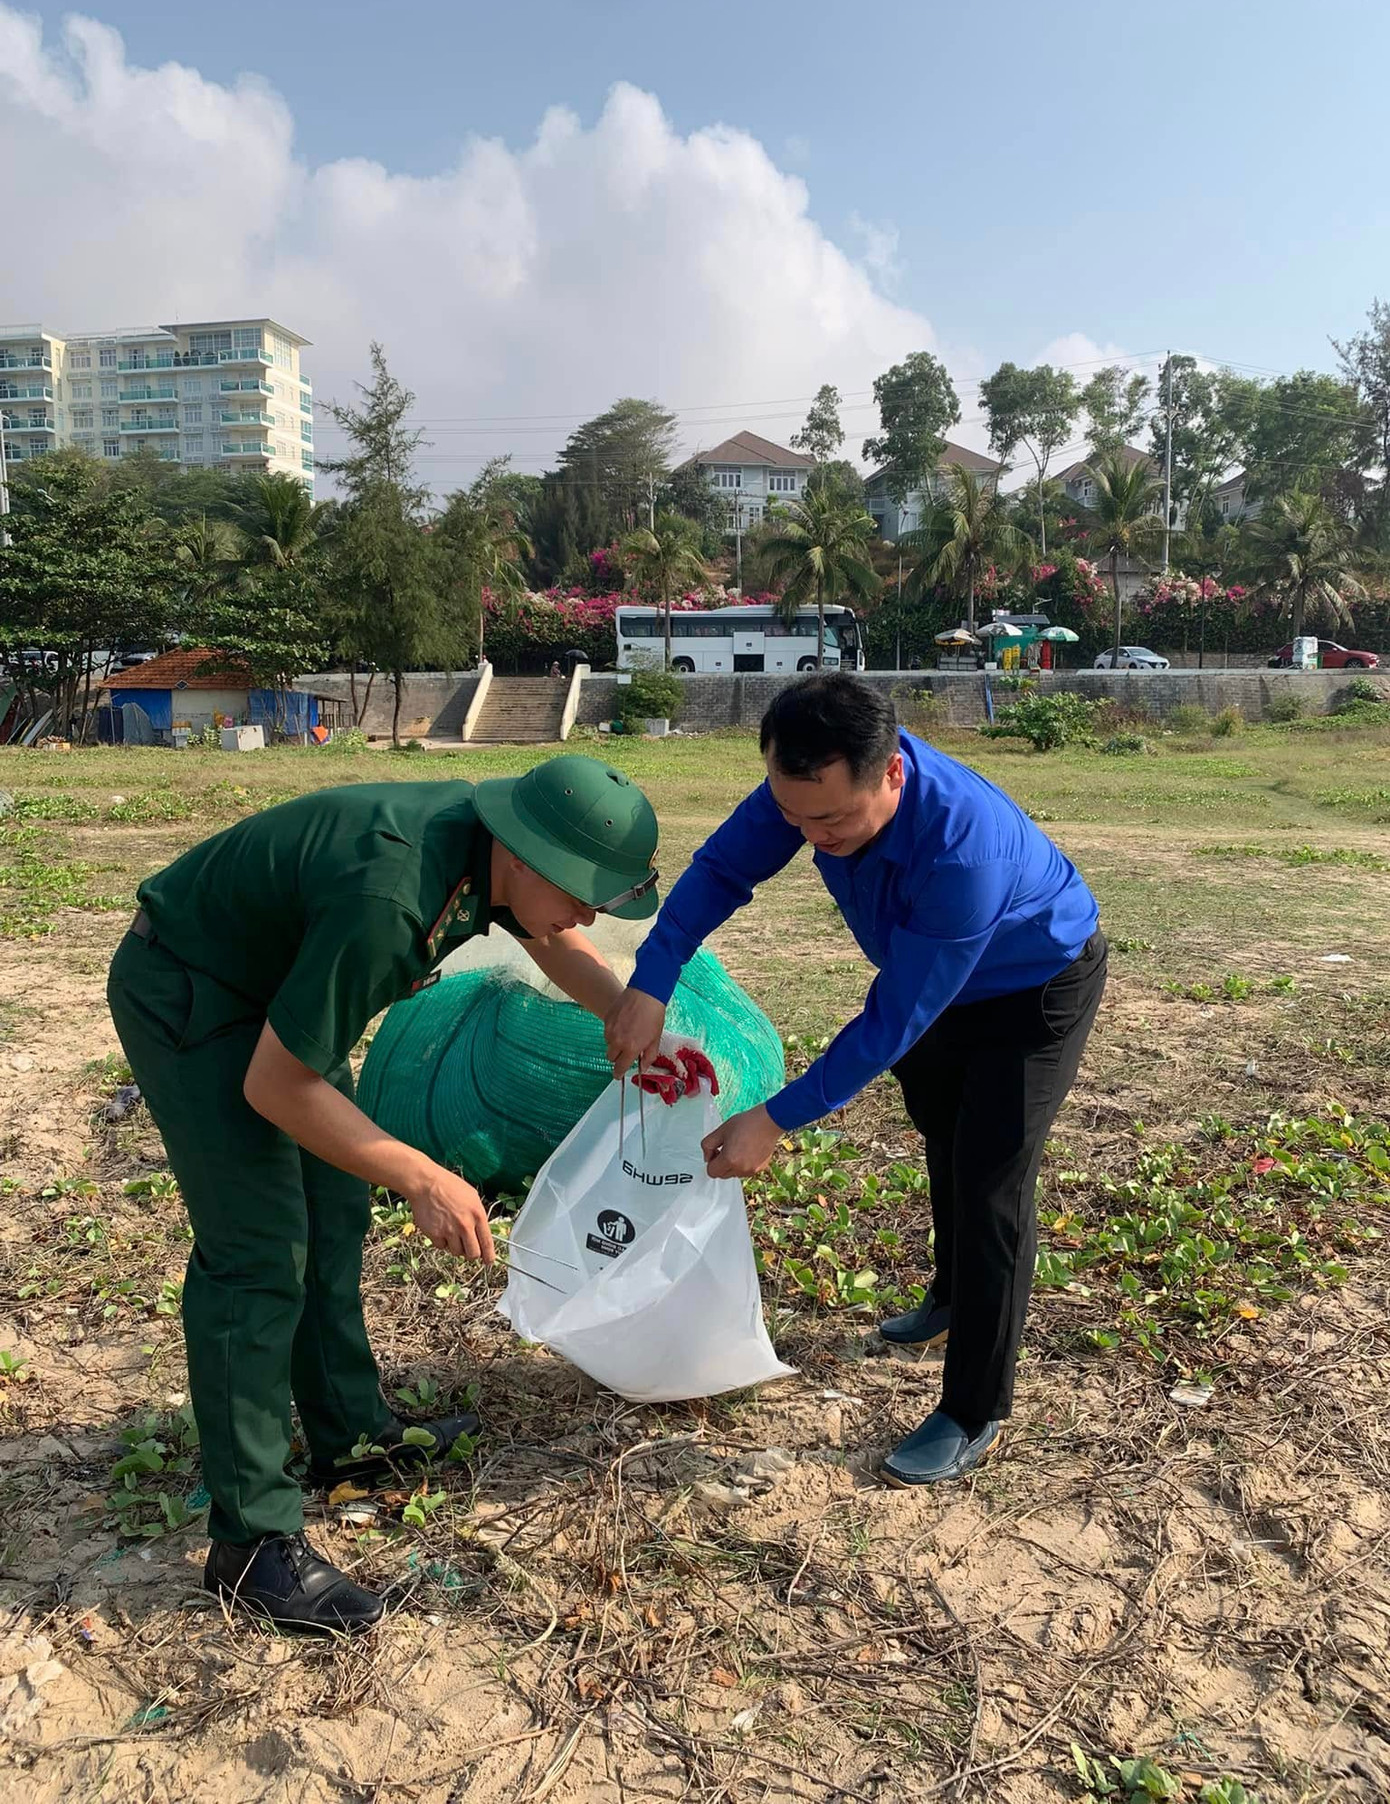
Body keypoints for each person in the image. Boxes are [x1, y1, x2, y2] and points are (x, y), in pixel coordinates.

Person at [108, 757, 658, 1632]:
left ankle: (349, 1440)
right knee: (257, 1252)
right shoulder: (393, 897)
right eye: (584, 890)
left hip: (282, 988)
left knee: (333, 1204)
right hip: (195, 988)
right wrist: (423, 1172)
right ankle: (249, 1542)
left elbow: (550, 932)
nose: (592, 913)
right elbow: (276, 1087)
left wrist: (627, 1012)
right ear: (521, 849)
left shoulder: (492, 855)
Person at [606, 674, 1105, 1488]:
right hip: (934, 980)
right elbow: (723, 870)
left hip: (1032, 988)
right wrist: (653, 975)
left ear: (893, 774)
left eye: (831, 819)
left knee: (991, 1180)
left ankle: (974, 1408)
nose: (809, 834)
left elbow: (894, 1018)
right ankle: (950, 1301)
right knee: (943, 1133)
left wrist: (775, 1116)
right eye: (795, 816)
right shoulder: (804, 790)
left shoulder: (961, 848)